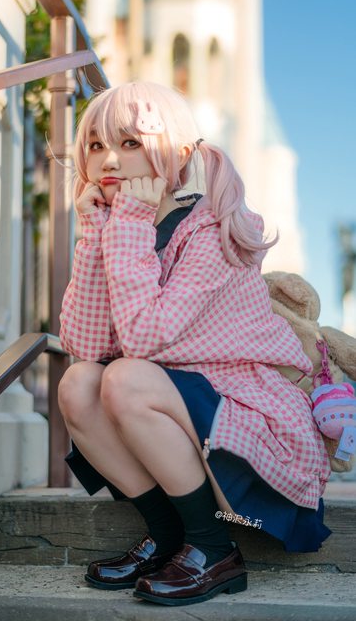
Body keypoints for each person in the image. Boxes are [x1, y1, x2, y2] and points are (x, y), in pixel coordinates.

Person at [57, 81, 332, 607]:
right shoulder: (119, 228)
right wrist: (95, 233)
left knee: (126, 376)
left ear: (180, 154)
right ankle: (167, 537)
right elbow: (86, 344)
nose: (109, 159)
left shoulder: (213, 231)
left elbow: (143, 340)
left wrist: (127, 225)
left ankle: (213, 548)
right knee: (78, 382)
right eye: (95, 145)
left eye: (131, 143)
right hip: (187, 419)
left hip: (256, 439)